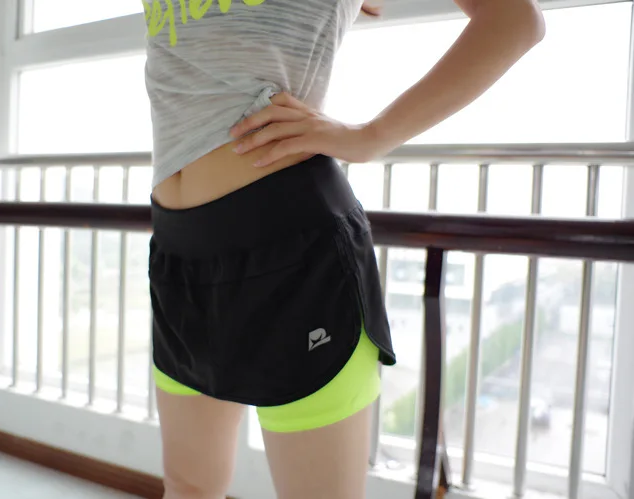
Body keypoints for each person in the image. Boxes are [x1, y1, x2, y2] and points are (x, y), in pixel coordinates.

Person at [142, 1, 545, 498]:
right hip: (178, 255)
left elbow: (515, 20)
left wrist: (371, 136)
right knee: (187, 489)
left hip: (294, 254)